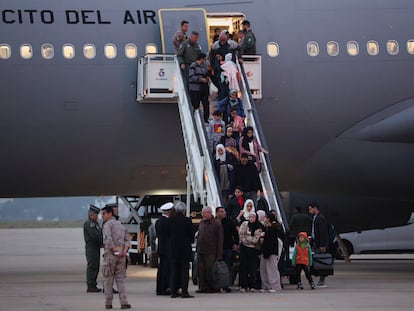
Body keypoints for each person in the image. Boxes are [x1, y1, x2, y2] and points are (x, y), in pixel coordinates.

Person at [101, 205, 131, 309]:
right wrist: (124, 251)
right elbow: (128, 239)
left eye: (104, 213)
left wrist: (114, 249)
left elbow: (108, 239)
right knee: (120, 279)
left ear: (110, 214)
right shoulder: (120, 225)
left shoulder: (107, 225)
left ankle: (108, 303)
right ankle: (124, 302)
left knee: (108, 280)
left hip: (110, 255)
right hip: (121, 256)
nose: (102, 216)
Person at [168, 201, 195, 298]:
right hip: (184, 249)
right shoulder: (187, 220)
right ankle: (184, 292)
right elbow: (191, 235)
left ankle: (173, 292)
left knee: (174, 271)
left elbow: (168, 234)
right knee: (184, 271)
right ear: (184, 210)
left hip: (173, 249)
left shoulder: (170, 220)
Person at [196, 206, 224, 293]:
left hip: (211, 251)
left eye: (203, 213)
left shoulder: (216, 223)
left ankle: (211, 287)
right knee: (201, 270)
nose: (202, 214)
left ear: (209, 213)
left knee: (210, 270)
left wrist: (219, 254)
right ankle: (202, 287)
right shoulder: (201, 222)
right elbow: (199, 235)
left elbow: (220, 239)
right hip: (201, 250)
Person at [216, 207, 239, 293]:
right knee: (216, 267)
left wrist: (236, 243)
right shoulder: (214, 222)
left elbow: (235, 233)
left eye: (224, 211)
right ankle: (217, 285)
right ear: (217, 213)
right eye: (221, 212)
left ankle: (226, 285)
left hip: (227, 247)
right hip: (216, 248)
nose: (224, 213)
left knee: (228, 267)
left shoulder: (229, 222)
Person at [238, 212, 262, 292]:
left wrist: (247, 238)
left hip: (252, 249)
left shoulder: (258, 226)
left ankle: (252, 285)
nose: (252, 219)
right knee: (243, 267)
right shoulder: (245, 224)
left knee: (252, 267)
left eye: (254, 217)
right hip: (243, 248)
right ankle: (243, 285)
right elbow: (241, 234)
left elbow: (256, 240)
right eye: (250, 217)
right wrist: (249, 239)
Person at [259, 212, 282, 292]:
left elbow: (272, 242)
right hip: (265, 251)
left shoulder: (273, 228)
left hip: (271, 251)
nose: (264, 218)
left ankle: (275, 286)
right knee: (264, 269)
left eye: (265, 217)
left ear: (268, 218)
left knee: (272, 269)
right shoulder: (266, 228)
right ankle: (266, 286)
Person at [308, 203, 329, 288]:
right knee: (318, 260)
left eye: (310, 209)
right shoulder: (315, 217)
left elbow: (322, 232)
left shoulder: (320, 218)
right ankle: (321, 279)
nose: (309, 211)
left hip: (319, 243)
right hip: (315, 241)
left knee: (322, 261)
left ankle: (322, 280)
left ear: (315, 208)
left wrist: (322, 245)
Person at [155, 202, 174, 296]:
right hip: (168, 249)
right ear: (169, 211)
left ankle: (159, 289)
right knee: (167, 270)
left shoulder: (158, 222)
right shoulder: (169, 222)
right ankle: (166, 288)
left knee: (161, 269)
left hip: (161, 248)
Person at [83, 205, 103, 293]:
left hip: (95, 247)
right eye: (96, 214)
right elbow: (95, 236)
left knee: (96, 265)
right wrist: (102, 242)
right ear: (91, 214)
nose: (97, 216)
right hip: (92, 248)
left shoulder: (95, 223)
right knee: (92, 266)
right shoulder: (90, 224)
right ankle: (90, 285)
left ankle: (93, 284)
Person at [189, 52, 210, 123]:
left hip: (203, 88)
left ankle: (206, 118)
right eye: (204, 59)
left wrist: (207, 78)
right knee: (196, 104)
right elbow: (191, 76)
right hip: (195, 88)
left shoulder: (204, 66)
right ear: (201, 59)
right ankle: (195, 118)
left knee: (206, 104)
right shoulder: (193, 66)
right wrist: (200, 79)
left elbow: (206, 74)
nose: (205, 61)